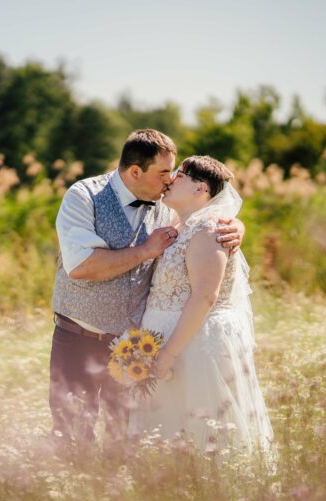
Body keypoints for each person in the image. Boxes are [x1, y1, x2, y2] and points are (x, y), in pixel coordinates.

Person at [49, 130, 245, 450]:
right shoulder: (83, 196)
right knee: (72, 433)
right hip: (79, 337)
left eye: (174, 173)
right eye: (164, 173)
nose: (170, 181)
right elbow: (81, 266)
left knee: (126, 439)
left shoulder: (165, 204)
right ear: (136, 172)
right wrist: (145, 250)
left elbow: (204, 218)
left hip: (136, 347)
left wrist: (235, 227)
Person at [129, 155, 273, 453]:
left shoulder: (208, 230)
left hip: (193, 345)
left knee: (203, 432)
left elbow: (205, 295)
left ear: (201, 189)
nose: (170, 179)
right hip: (165, 338)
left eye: (180, 175)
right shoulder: (179, 223)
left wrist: (168, 354)